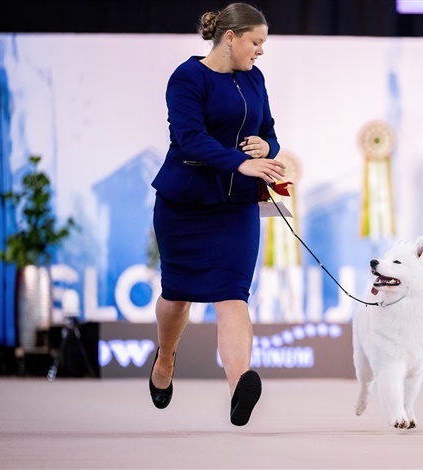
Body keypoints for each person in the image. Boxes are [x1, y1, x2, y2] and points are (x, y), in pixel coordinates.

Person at [148, 2, 285, 427]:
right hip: (184, 204)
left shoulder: (254, 78)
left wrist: (267, 148)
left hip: (236, 207)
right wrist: (239, 162)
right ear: (230, 38)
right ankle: (166, 357)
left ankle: (239, 384)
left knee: (232, 295)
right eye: (256, 42)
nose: (260, 51)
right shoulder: (188, 77)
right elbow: (189, 138)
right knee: (176, 296)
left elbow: (269, 131)